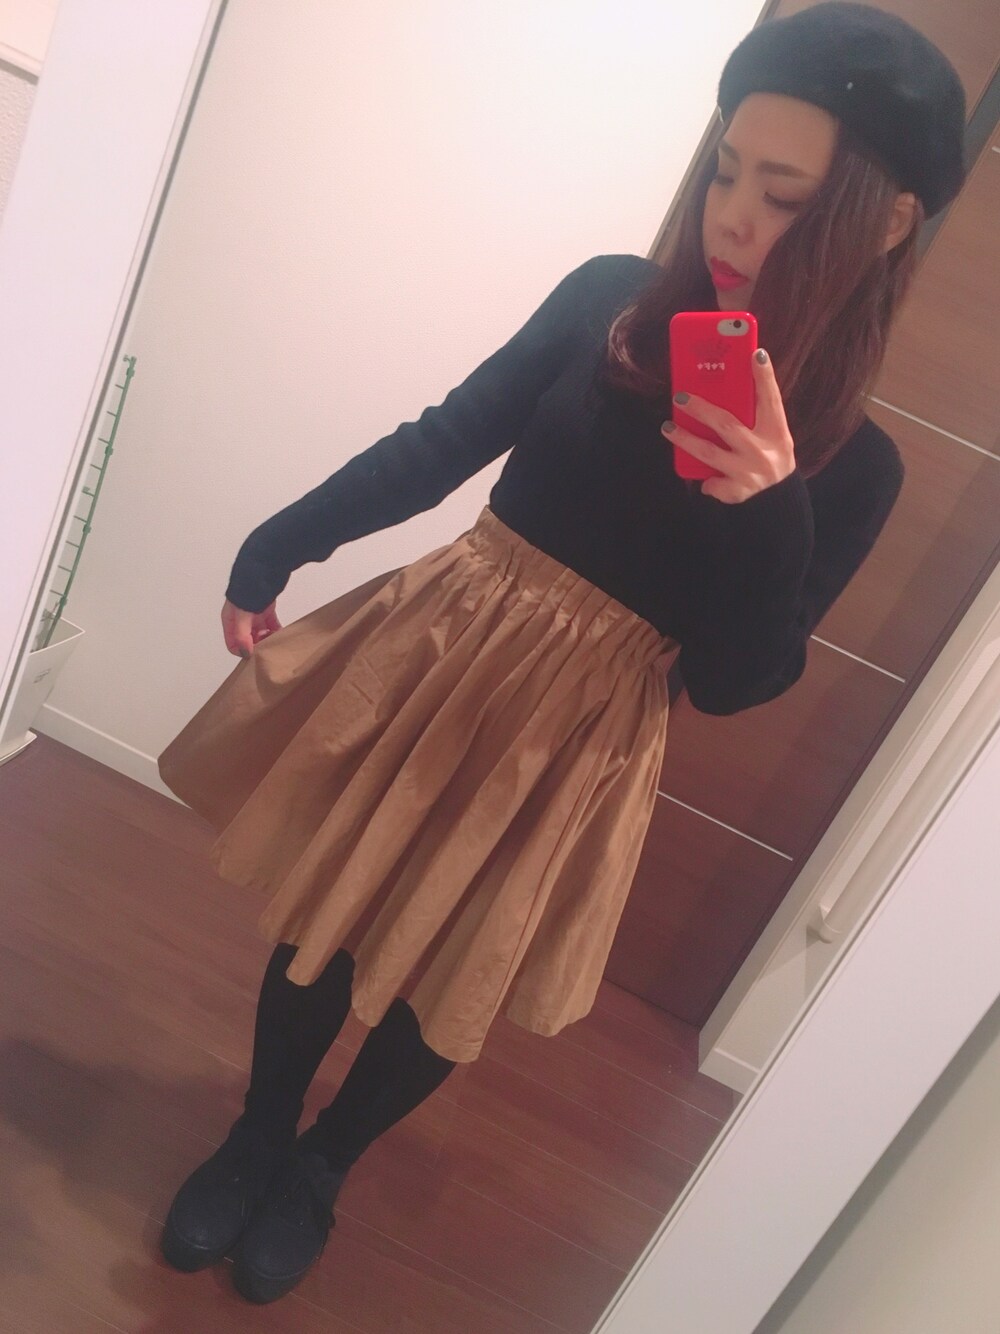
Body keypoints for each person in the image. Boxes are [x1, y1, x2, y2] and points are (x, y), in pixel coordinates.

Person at [155, 1, 966, 1307]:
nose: (733, 219)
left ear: (883, 223)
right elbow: (443, 440)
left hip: (581, 737)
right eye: (725, 173)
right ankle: (256, 1133)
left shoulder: (855, 471)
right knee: (333, 911)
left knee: (453, 965)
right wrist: (277, 544)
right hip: (448, 648)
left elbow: (736, 680)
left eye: (785, 195)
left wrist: (768, 505)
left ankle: (321, 1167)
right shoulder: (609, 304)